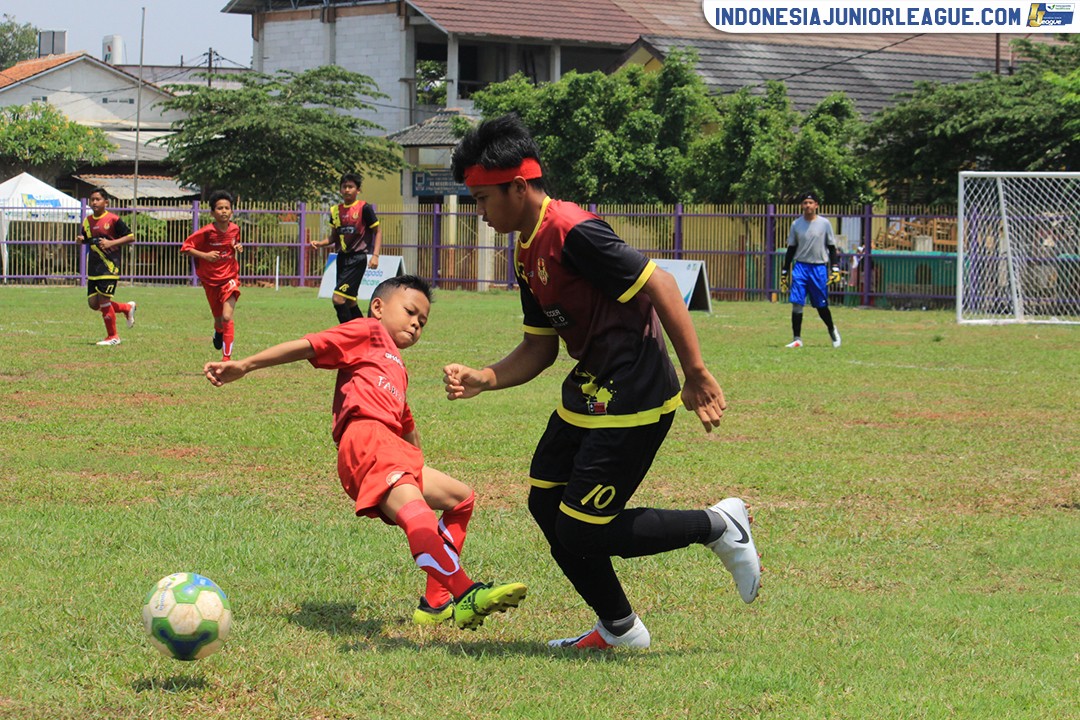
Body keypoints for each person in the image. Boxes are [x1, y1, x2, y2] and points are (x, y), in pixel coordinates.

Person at [442, 113, 761, 650]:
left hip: (635, 389)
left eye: (481, 199)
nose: (479, 212)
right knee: (546, 503)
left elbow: (660, 284)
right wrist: (486, 377)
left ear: (518, 187)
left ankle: (719, 525)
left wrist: (697, 373)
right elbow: (541, 346)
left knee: (583, 528)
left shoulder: (572, 230)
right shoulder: (524, 248)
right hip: (591, 388)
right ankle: (619, 628)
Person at [203, 275, 526, 630]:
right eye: (410, 312)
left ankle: (434, 604)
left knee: (460, 499)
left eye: (423, 321)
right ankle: (467, 593)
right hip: (366, 439)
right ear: (378, 307)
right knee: (414, 514)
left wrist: (417, 459)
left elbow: (405, 421)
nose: (416, 324)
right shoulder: (366, 332)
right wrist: (244, 365)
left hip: (391, 447)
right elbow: (309, 345)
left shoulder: (396, 364)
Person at [309, 173, 382, 324]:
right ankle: (366, 332)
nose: (347, 190)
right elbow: (333, 237)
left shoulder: (364, 208)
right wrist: (320, 243)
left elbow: (378, 231)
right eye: (344, 187)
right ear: (340, 190)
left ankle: (347, 334)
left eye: (351, 187)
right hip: (342, 259)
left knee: (338, 298)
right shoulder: (335, 211)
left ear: (358, 190)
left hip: (357, 259)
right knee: (350, 301)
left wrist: (375, 255)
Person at [181, 191, 243, 361]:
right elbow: (185, 248)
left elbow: (233, 242)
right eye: (219, 208)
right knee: (218, 320)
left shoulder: (235, 228)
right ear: (212, 213)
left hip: (230, 277)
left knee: (227, 317)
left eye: (227, 208)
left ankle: (226, 359)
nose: (223, 211)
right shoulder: (207, 232)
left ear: (232, 211)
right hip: (210, 280)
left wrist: (237, 246)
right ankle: (218, 331)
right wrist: (205, 255)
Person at [780, 192, 842, 348]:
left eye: (810, 202)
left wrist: (835, 268)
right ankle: (797, 339)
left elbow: (832, 247)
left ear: (816, 205)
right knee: (797, 303)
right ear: (802, 205)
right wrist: (785, 271)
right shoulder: (796, 224)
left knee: (821, 305)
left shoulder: (825, 223)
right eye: (805, 202)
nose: (808, 205)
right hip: (801, 266)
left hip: (818, 267)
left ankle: (832, 330)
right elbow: (791, 248)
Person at [77, 187, 136, 346]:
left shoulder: (113, 219)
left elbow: (130, 236)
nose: (94, 202)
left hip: (110, 266)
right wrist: (81, 240)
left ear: (106, 202)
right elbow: (90, 240)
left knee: (104, 300)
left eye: (98, 199)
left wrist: (112, 243)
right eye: (92, 199)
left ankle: (113, 337)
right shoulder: (87, 221)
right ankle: (126, 308)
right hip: (94, 267)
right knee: (94, 304)